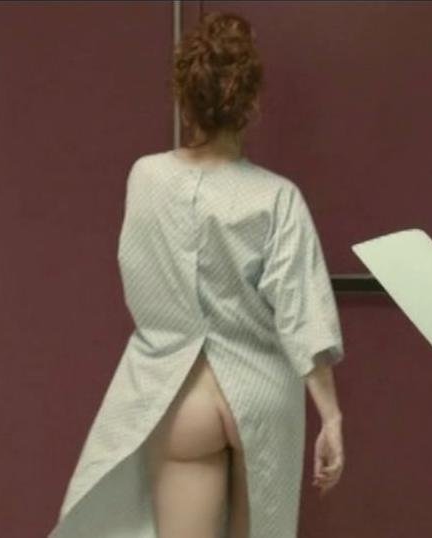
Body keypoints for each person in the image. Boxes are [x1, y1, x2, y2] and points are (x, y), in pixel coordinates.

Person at [50, 13, 344, 538]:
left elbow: (140, 278)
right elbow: (302, 312)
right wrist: (332, 417)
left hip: (179, 393)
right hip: (261, 393)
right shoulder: (277, 198)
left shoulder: (146, 178)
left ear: (184, 100)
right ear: (250, 105)